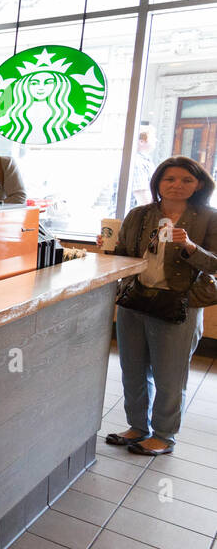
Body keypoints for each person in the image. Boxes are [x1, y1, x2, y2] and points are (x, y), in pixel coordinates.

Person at [100, 156, 217, 455]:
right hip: (134, 300)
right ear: (158, 183)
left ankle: (164, 435)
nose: (177, 185)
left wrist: (190, 246)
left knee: (170, 375)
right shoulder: (139, 214)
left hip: (179, 305)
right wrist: (107, 247)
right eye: (170, 179)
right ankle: (137, 427)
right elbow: (124, 255)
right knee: (133, 369)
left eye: (186, 180)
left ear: (199, 184)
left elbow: (214, 264)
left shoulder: (210, 218)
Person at [131, 128, 157, 208]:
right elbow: (143, 199)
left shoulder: (146, 161)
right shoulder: (138, 163)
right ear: (141, 141)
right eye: (152, 138)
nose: (156, 140)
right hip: (133, 217)